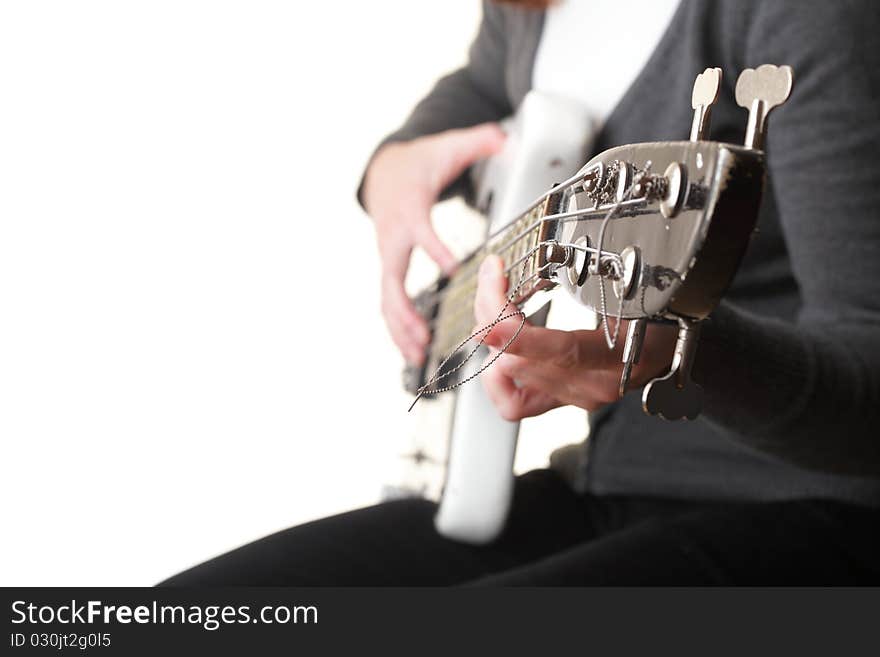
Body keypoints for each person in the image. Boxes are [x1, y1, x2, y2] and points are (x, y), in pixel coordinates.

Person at [161, 0, 880, 585]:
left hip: (814, 512)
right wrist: (394, 163)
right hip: (608, 486)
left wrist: (673, 350)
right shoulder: (525, 10)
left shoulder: (804, 16)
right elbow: (480, 82)